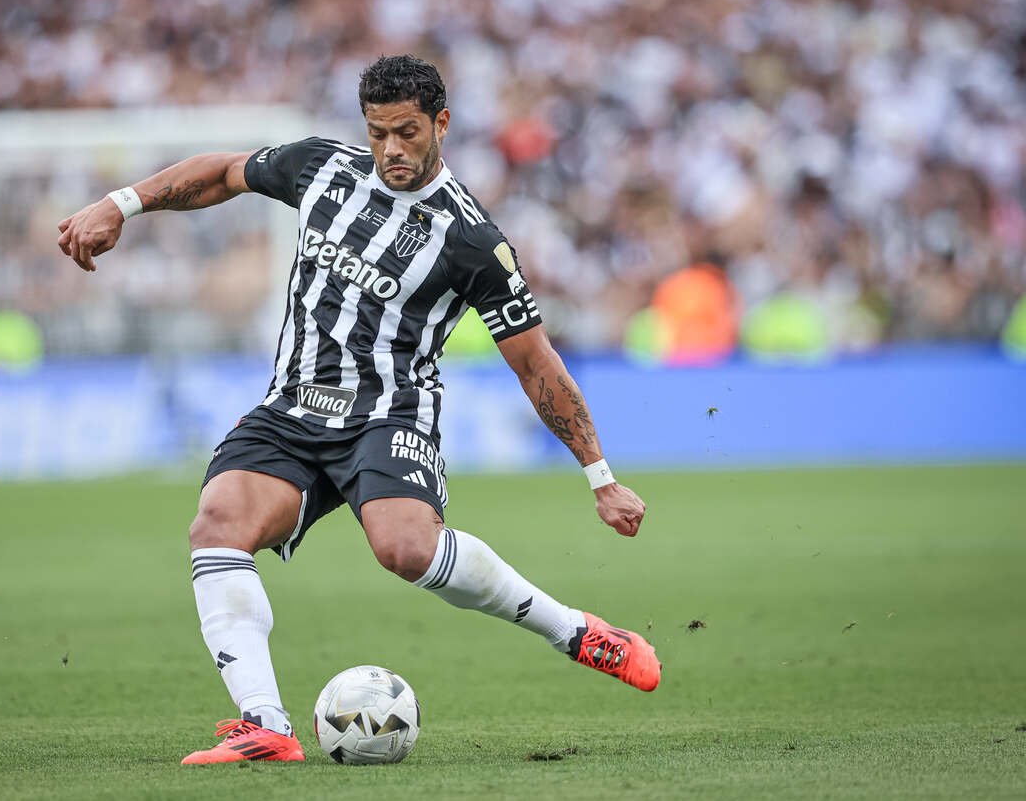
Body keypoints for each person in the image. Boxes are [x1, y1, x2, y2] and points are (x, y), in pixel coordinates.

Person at [56, 55, 661, 765]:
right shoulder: (323, 169)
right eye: (378, 133)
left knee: (405, 548)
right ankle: (265, 725)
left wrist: (600, 476)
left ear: (441, 124)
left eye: (407, 132)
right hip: (292, 407)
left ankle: (578, 633)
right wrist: (122, 203)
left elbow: (536, 364)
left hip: (389, 413)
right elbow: (223, 172)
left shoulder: (472, 241)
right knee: (217, 525)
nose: (391, 148)